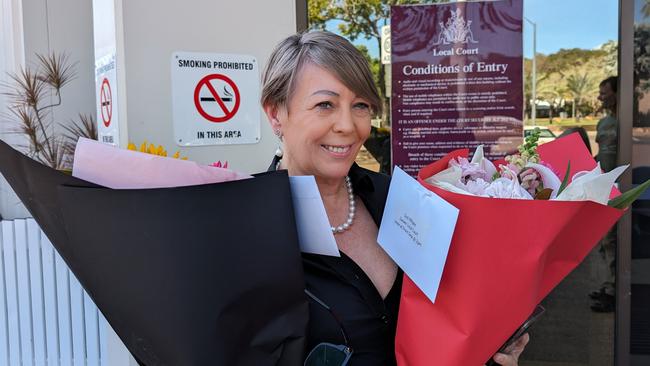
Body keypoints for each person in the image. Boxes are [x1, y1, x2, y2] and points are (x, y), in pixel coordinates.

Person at [260, 30, 528, 365]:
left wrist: (490, 345)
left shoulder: (396, 197)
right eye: (325, 104)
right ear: (275, 114)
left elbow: (448, 313)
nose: (348, 125)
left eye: (360, 105)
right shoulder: (250, 227)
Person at [590, 76, 618, 312]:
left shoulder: (628, 123)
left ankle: (615, 290)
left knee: (617, 241)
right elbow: (600, 156)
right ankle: (609, 284)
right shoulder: (604, 123)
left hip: (623, 190)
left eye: (605, 92)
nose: (601, 97)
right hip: (604, 190)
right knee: (605, 240)